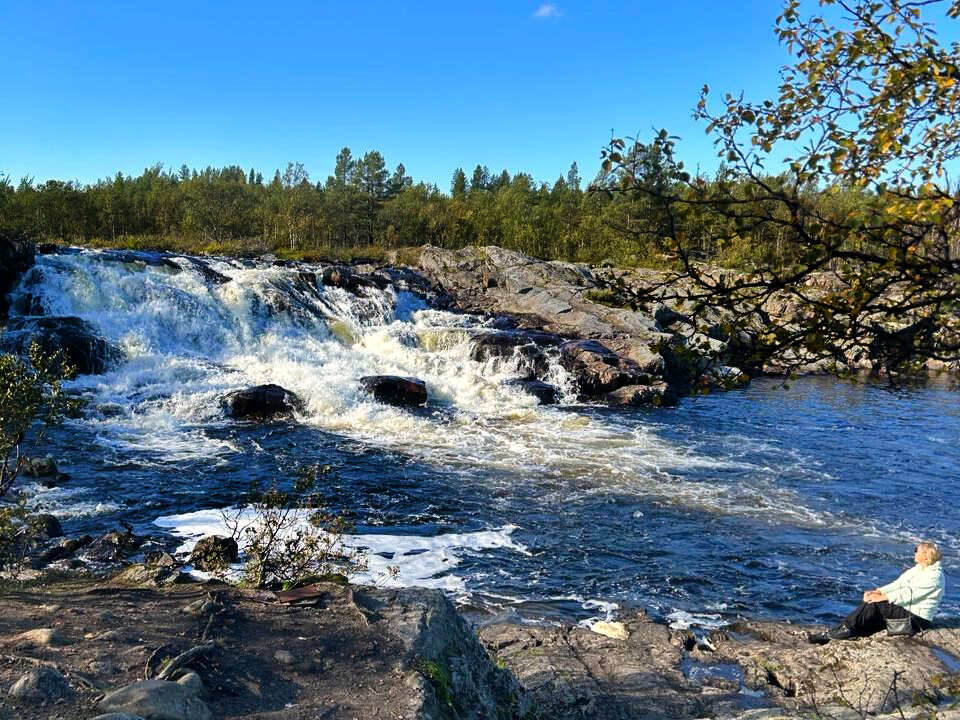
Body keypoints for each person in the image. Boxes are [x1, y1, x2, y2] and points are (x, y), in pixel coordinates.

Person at [811, 541, 945, 643]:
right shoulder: (919, 569)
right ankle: (844, 631)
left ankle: (836, 633)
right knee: (871, 606)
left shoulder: (934, 576)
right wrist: (877, 591)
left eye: (916, 550)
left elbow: (909, 593)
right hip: (908, 609)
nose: (914, 552)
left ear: (926, 556)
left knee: (876, 606)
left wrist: (882, 598)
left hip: (918, 618)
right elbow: (899, 584)